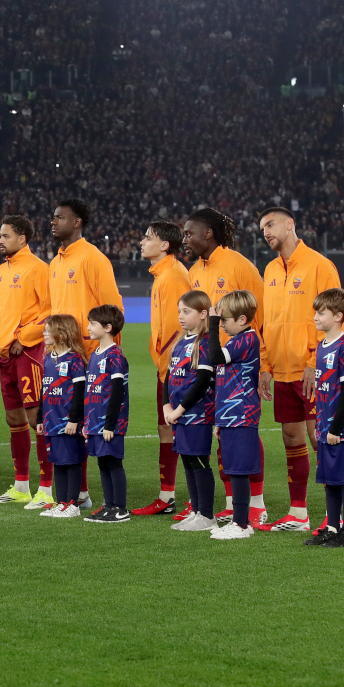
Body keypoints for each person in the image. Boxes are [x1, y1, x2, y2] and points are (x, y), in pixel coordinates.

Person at [257, 206, 343, 532]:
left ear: (291, 223)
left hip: (313, 370)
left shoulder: (319, 265)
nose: (266, 231)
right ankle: (298, 513)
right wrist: (266, 365)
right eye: (262, 227)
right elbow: (267, 322)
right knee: (292, 438)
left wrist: (314, 363)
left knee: (320, 438)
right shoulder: (270, 269)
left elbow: (333, 317)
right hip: (282, 370)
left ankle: (335, 515)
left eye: (271, 224)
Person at [183, 207, 267, 525]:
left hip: (239, 365)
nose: (185, 239)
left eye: (190, 233)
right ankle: (233, 502)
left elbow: (261, 317)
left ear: (208, 233)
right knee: (223, 432)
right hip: (210, 364)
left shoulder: (238, 266)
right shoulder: (195, 271)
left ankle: (255, 502)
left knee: (242, 431)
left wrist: (265, 366)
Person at [48, 199, 121, 510]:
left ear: (76, 222)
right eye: (53, 217)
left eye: (60, 217)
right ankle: (78, 493)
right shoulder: (55, 263)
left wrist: (106, 355)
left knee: (83, 426)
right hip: (61, 357)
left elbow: (111, 311)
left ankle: (84, 495)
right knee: (65, 425)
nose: (53, 221)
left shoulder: (93, 258)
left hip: (89, 359)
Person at [0, 214, 51, 506]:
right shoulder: (1, 270)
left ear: (22, 238)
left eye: (6, 236)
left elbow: (50, 311)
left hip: (28, 353)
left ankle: (47, 489)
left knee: (37, 418)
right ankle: (21, 486)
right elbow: (1, 313)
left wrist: (23, 338)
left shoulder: (39, 269)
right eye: (0, 236)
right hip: (4, 356)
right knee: (14, 419)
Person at [131, 222, 191, 517]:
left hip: (177, 369)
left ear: (165, 245)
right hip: (167, 367)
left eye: (148, 237)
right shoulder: (163, 274)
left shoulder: (173, 276)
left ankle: (193, 499)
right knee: (166, 428)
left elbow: (181, 327)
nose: (142, 242)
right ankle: (167, 497)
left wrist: (171, 368)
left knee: (183, 430)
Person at [304, 289, 344, 548]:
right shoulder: (321, 345)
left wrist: (337, 427)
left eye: (321, 313)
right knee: (330, 478)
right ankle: (332, 526)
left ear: (338, 316)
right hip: (325, 425)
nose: (315, 317)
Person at [207, 290, 263, 541]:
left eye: (224, 320)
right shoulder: (236, 340)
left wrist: (211, 323)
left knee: (239, 470)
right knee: (233, 469)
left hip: (241, 413)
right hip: (231, 414)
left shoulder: (246, 339)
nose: (222, 325)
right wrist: (220, 419)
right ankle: (239, 521)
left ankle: (241, 524)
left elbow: (215, 357)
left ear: (241, 319)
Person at [165, 291, 218, 533]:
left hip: (197, 414)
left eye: (187, 311)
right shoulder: (181, 341)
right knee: (187, 460)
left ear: (203, 314)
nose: (181, 316)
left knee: (198, 462)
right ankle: (196, 511)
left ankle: (207, 515)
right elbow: (169, 375)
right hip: (179, 414)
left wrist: (180, 409)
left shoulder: (205, 343)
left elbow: (203, 381)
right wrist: (167, 405)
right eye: (179, 311)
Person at [36, 314, 88, 519]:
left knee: (71, 462)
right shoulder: (48, 358)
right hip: (51, 420)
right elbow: (45, 390)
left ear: (63, 333)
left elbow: (79, 393)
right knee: (58, 462)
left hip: (68, 422)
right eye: (45, 330)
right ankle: (62, 502)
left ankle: (73, 504)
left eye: (49, 330)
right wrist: (40, 418)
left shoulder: (75, 359)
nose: (44, 333)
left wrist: (74, 420)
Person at [83, 305, 130, 524]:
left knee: (113, 462)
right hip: (94, 422)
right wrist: (87, 422)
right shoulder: (94, 355)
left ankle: (120, 508)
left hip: (109, 424)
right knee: (102, 463)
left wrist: (110, 424)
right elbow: (90, 391)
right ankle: (109, 506)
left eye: (93, 323)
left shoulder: (115, 357)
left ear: (108, 327)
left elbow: (117, 393)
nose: (88, 327)